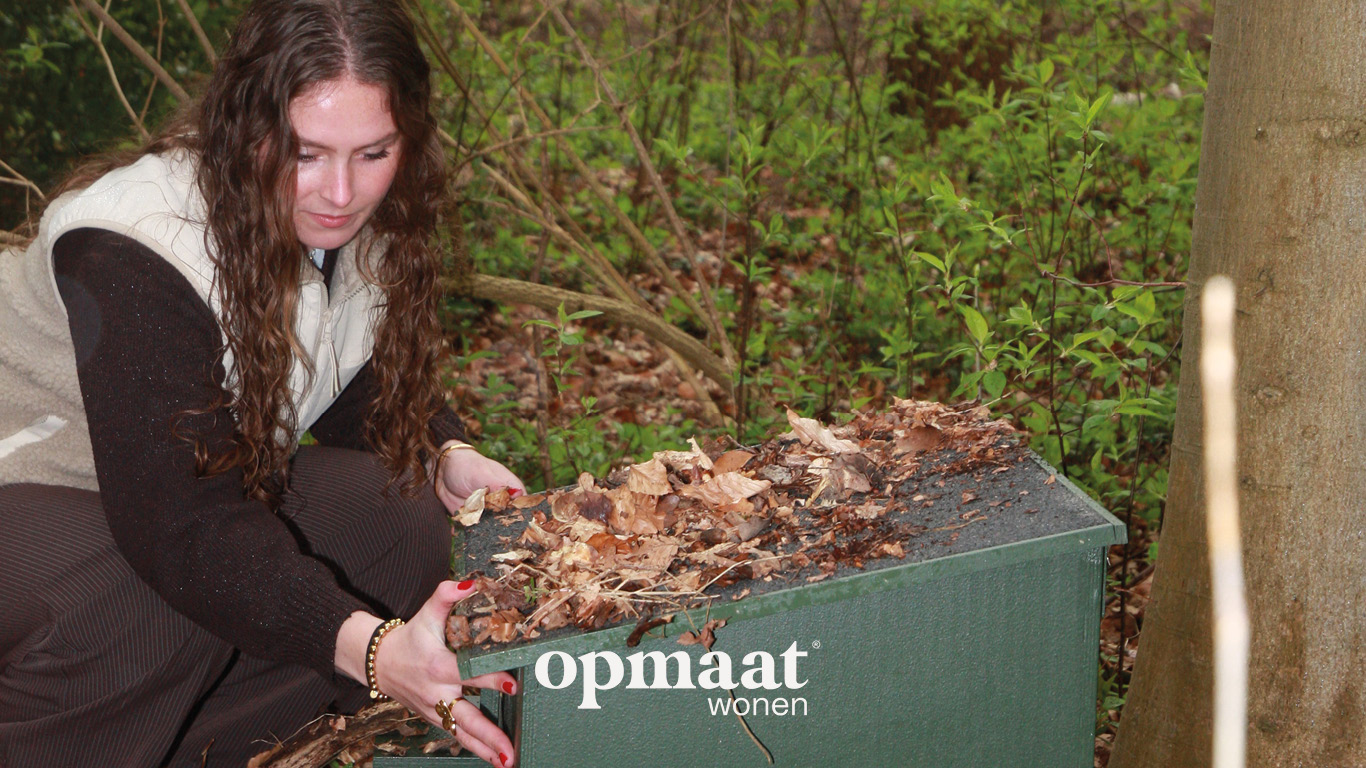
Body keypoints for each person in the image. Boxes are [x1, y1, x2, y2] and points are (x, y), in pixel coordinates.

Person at [0, 1, 525, 765]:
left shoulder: (351, 227)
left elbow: (345, 381)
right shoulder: (132, 241)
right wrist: (375, 651)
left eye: (373, 153)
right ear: (244, 124)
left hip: (151, 514)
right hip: (27, 499)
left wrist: (444, 455)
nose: (341, 193)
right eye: (305, 154)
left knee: (399, 513)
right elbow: (182, 528)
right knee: (141, 601)